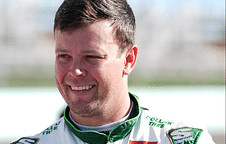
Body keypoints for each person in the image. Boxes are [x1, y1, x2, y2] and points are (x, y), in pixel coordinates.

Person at [11, 0, 215, 143]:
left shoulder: (182, 140)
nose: (75, 71)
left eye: (91, 57)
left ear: (129, 60)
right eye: (64, 57)